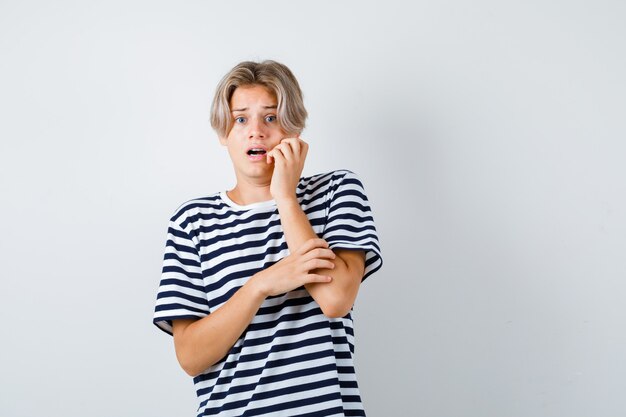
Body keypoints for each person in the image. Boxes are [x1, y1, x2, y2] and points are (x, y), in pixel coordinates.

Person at [153, 60, 383, 416]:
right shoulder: (192, 222)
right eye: (241, 118)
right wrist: (261, 285)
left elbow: (336, 299)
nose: (256, 131)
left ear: (294, 127)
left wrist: (286, 198)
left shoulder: (337, 190)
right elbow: (190, 357)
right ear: (223, 133)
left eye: (271, 117)